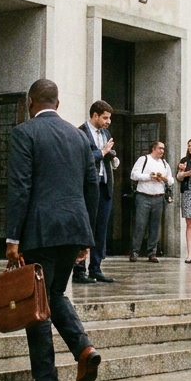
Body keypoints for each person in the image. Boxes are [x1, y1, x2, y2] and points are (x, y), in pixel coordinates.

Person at [6, 78, 102, 381]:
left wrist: (12, 238)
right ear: (57, 104)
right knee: (55, 293)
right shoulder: (79, 137)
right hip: (73, 230)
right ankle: (84, 348)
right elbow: (93, 187)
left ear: (30, 101)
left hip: (40, 232)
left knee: (37, 304)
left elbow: (19, 187)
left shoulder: (24, 133)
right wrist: (85, 235)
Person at [76, 101, 119, 283]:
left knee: (101, 229)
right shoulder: (80, 133)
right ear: (95, 115)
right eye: (105, 118)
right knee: (86, 228)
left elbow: (107, 153)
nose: (108, 121)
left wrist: (111, 155)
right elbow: (83, 158)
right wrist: (102, 152)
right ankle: (79, 270)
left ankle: (96, 267)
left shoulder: (106, 133)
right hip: (88, 188)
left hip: (104, 185)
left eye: (109, 118)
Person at [129, 140, 172, 263]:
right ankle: (134, 251)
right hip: (144, 196)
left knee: (155, 226)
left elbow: (171, 180)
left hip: (158, 197)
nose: (162, 151)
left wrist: (164, 179)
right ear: (153, 148)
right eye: (160, 148)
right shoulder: (144, 159)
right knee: (140, 224)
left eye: (163, 149)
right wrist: (149, 176)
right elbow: (133, 175)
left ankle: (152, 252)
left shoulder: (164, 163)